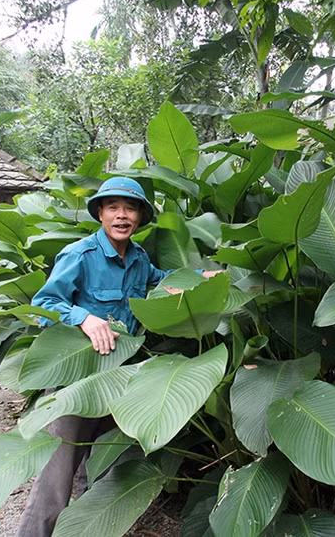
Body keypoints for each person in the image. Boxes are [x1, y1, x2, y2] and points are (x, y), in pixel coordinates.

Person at [17, 176, 219, 536]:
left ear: (140, 216)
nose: (122, 216)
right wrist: (84, 317)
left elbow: (161, 279)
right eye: (113, 208)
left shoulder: (139, 259)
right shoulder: (79, 255)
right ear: (100, 214)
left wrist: (202, 276)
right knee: (57, 474)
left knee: (102, 469)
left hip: (120, 379)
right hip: (77, 383)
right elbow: (43, 303)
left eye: (130, 208)